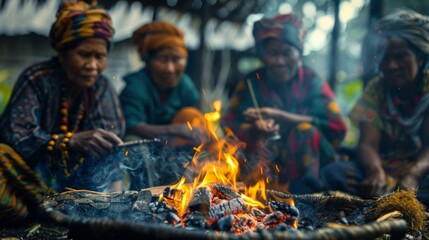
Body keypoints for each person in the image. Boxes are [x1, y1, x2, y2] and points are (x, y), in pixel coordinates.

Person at [0, 0, 125, 225]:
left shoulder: (103, 87)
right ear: (62, 53)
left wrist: (113, 196)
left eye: (100, 56)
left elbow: (110, 145)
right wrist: (68, 141)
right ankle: (34, 209)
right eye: (84, 54)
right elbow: (14, 136)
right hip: (30, 180)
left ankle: (71, 210)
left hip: (79, 186)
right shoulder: (37, 79)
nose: (93, 65)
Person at [222, 14, 347, 194]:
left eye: (286, 53)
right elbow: (228, 124)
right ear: (262, 56)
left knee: (304, 131)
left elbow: (336, 128)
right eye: (273, 53)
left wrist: (280, 117)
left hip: (311, 165)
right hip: (261, 164)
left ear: (299, 53)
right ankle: (256, 194)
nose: (279, 61)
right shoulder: (251, 82)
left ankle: (306, 197)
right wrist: (255, 129)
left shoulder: (312, 81)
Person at [321, 9, 429, 202]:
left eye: (401, 56)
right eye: (385, 58)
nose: (392, 65)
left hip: (420, 170)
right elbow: (367, 144)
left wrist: (413, 175)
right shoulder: (377, 89)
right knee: (334, 173)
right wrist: (375, 171)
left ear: (420, 58)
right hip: (384, 166)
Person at [119, 22, 209, 189]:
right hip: (146, 150)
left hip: (172, 149)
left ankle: (185, 191)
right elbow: (131, 126)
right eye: (162, 60)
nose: (170, 68)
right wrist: (173, 130)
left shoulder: (184, 84)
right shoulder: (135, 86)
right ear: (148, 61)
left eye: (176, 59)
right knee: (134, 145)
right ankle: (142, 196)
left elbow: (194, 116)